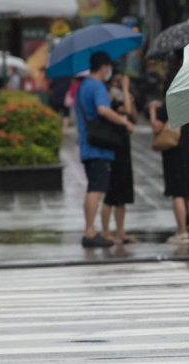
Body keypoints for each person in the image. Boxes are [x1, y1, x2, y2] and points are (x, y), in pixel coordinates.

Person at [75, 51, 135, 248]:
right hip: (98, 148)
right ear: (104, 67)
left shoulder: (83, 86)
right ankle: (90, 232)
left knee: (94, 187)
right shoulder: (97, 86)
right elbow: (102, 110)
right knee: (97, 189)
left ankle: (90, 229)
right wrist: (124, 123)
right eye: (108, 67)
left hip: (88, 144)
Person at [149, 52, 189, 245]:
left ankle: (182, 232)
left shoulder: (168, 105)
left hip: (173, 153)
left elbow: (157, 127)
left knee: (178, 194)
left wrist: (152, 111)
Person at [101, 66, 138, 245]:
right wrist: (124, 90)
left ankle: (121, 231)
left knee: (122, 191)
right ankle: (107, 231)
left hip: (124, 145)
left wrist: (129, 95)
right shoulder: (109, 94)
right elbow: (126, 111)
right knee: (111, 192)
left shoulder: (122, 93)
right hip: (113, 144)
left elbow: (134, 116)